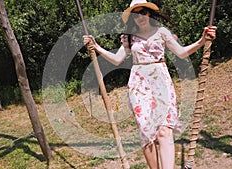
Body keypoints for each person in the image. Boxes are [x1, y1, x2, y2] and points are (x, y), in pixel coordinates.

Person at [83, 0, 216, 168]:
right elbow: (117, 60)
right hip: (139, 84)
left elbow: (182, 53)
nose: (140, 17)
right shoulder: (129, 37)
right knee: (146, 132)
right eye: (136, 14)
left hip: (160, 82)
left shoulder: (161, 32)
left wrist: (202, 40)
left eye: (143, 12)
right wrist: (96, 47)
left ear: (149, 13)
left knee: (164, 130)